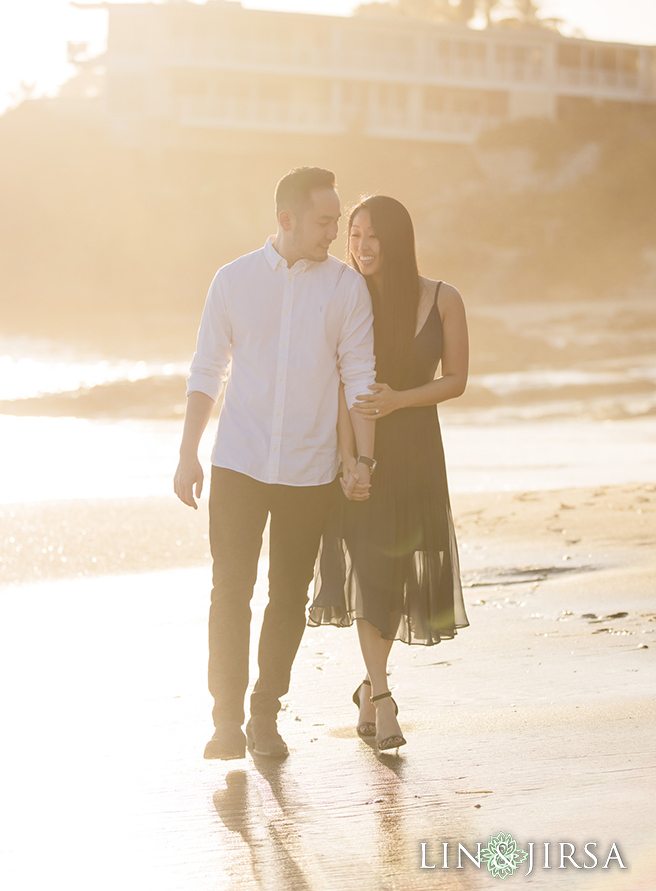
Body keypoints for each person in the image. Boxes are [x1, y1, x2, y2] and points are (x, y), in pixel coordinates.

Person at [176, 166, 379, 761]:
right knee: (229, 591)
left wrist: (362, 458)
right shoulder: (233, 280)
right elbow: (206, 369)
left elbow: (359, 377)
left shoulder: (346, 289)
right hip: (238, 460)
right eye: (324, 222)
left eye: (337, 221)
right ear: (286, 219)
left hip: (309, 469)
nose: (333, 232)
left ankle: (266, 714)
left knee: (289, 595)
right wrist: (188, 450)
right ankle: (225, 722)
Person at [309, 195, 470, 753]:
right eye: (353, 235)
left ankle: (368, 686)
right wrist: (349, 461)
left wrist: (401, 400)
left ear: (398, 238)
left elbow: (456, 380)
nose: (360, 246)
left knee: (398, 578)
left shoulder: (443, 299)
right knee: (371, 572)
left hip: (418, 450)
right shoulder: (348, 298)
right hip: (360, 448)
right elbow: (339, 383)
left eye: (372, 235)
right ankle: (382, 698)